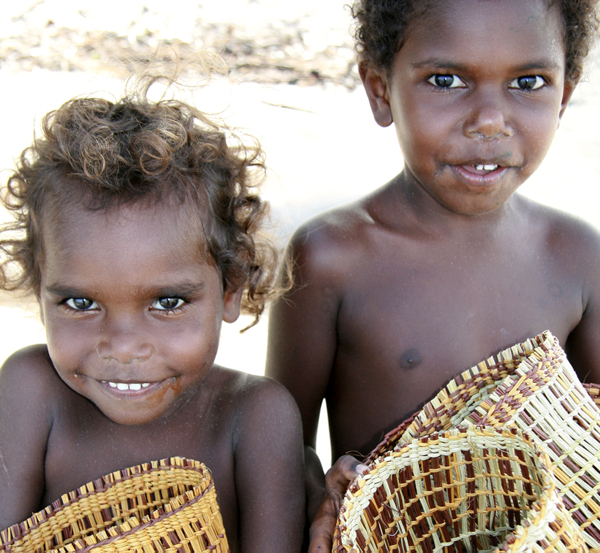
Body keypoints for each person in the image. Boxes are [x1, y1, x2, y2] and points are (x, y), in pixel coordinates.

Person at [265, 0, 600, 550]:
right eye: (446, 80)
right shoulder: (331, 258)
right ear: (380, 90)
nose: (490, 120)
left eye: (529, 81)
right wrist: (323, 492)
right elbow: (281, 445)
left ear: (564, 94)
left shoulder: (576, 256)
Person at [0, 74, 304, 552]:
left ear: (231, 287)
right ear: (40, 289)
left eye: (167, 302)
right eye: (81, 303)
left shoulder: (254, 418)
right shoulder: (31, 393)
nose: (122, 347)